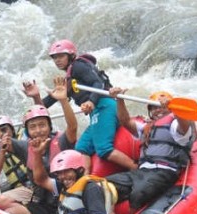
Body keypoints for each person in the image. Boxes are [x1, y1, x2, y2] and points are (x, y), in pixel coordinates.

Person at [23, 39, 137, 172]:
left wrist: (91, 101)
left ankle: (135, 168)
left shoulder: (79, 66)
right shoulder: (70, 79)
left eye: (61, 56)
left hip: (105, 106)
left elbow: (98, 83)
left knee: (103, 149)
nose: (57, 60)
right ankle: (87, 177)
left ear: (71, 55)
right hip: (97, 112)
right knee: (81, 148)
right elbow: (44, 106)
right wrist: (36, 96)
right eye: (54, 58)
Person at [0, 75, 78, 214]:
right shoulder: (25, 146)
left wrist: (63, 101)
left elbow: (73, 126)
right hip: (42, 203)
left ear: (49, 127)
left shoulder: (61, 141)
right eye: (33, 127)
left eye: (42, 125)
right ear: (27, 132)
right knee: (7, 213)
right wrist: (1, 139)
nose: (38, 131)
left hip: (66, 203)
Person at [106, 88, 196, 214]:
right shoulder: (146, 128)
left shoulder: (175, 125)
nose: (157, 110)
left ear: (170, 109)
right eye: (153, 108)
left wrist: (177, 110)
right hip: (141, 172)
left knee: (139, 193)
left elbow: (184, 126)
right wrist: (119, 99)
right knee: (102, 185)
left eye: (161, 107)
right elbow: (125, 121)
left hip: (164, 172)